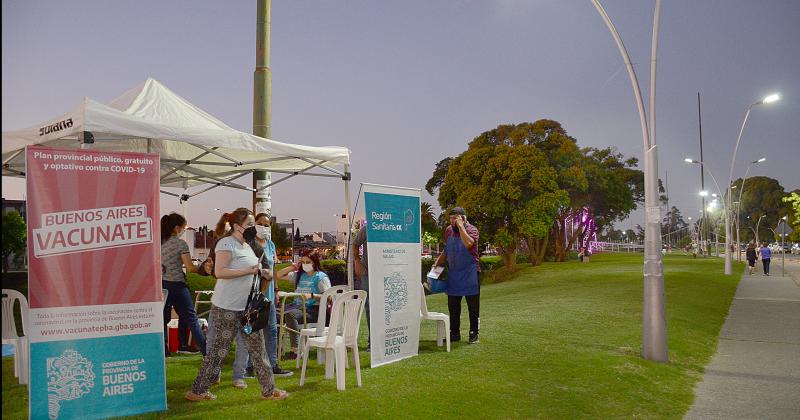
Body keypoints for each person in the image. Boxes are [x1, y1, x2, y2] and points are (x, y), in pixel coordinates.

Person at [186, 208, 288, 402]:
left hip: (248, 309)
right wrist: (248, 271)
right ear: (236, 226)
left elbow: (262, 267)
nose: (253, 228)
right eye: (250, 224)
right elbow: (220, 271)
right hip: (226, 308)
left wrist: (263, 272)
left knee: (258, 350)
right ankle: (198, 391)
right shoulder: (226, 243)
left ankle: (269, 390)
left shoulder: (250, 245)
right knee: (218, 351)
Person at [233, 213, 293, 379]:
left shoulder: (271, 244)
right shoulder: (249, 244)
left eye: (267, 225)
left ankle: (272, 365)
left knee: (271, 331)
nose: (264, 227)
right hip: (253, 295)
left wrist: (276, 291)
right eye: (260, 224)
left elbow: (272, 267)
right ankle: (251, 366)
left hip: (269, 294)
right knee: (252, 331)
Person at [433, 207, 481, 344]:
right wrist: (437, 264)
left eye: (456, 218)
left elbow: (469, 244)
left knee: (473, 305)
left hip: (470, 272)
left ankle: (474, 333)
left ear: (463, 218)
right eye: (451, 218)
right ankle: (454, 333)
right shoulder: (448, 230)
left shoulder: (472, 230)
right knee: (453, 305)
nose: (452, 222)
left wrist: (461, 227)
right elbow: (447, 249)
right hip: (455, 272)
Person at [161, 213, 207, 357]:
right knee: (191, 318)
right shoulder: (180, 244)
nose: (184, 230)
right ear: (176, 228)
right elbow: (190, 267)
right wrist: (204, 268)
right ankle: (206, 350)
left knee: (163, 319)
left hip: (162, 285)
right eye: (183, 227)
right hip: (178, 285)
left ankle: (165, 350)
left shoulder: (159, 242)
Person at [277, 249, 331, 359]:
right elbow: (279, 275)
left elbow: (329, 297)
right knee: (276, 315)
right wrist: (292, 267)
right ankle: (277, 350)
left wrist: (312, 296)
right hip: (297, 307)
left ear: (314, 262)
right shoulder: (299, 275)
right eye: (303, 262)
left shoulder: (321, 277)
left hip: (314, 309)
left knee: (290, 314)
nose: (305, 265)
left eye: (308, 262)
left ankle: (296, 350)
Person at [352, 220, 371, 345]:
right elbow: (355, 244)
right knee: (370, 307)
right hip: (368, 274)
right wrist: (357, 262)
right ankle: (372, 339)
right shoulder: (366, 229)